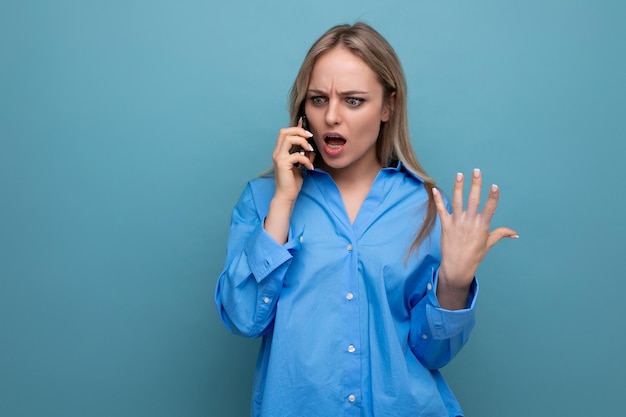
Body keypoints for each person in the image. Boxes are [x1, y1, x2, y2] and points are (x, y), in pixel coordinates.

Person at [215, 22, 517, 417]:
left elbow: (433, 353)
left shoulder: (428, 208)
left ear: (388, 106)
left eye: (354, 101)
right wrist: (283, 203)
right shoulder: (263, 200)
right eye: (319, 99)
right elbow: (242, 318)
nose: (332, 117)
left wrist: (454, 286)